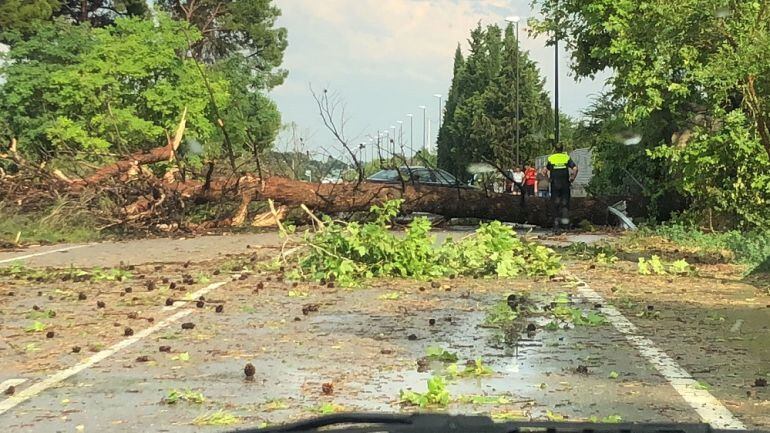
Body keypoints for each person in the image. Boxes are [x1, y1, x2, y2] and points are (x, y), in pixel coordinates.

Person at [546, 145, 578, 231]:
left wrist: (549, 179)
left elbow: (545, 170)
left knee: (555, 204)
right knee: (565, 204)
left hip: (554, 185)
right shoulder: (566, 157)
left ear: (555, 149)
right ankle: (566, 226)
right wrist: (572, 178)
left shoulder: (551, 158)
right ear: (562, 149)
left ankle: (556, 226)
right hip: (565, 184)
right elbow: (575, 168)